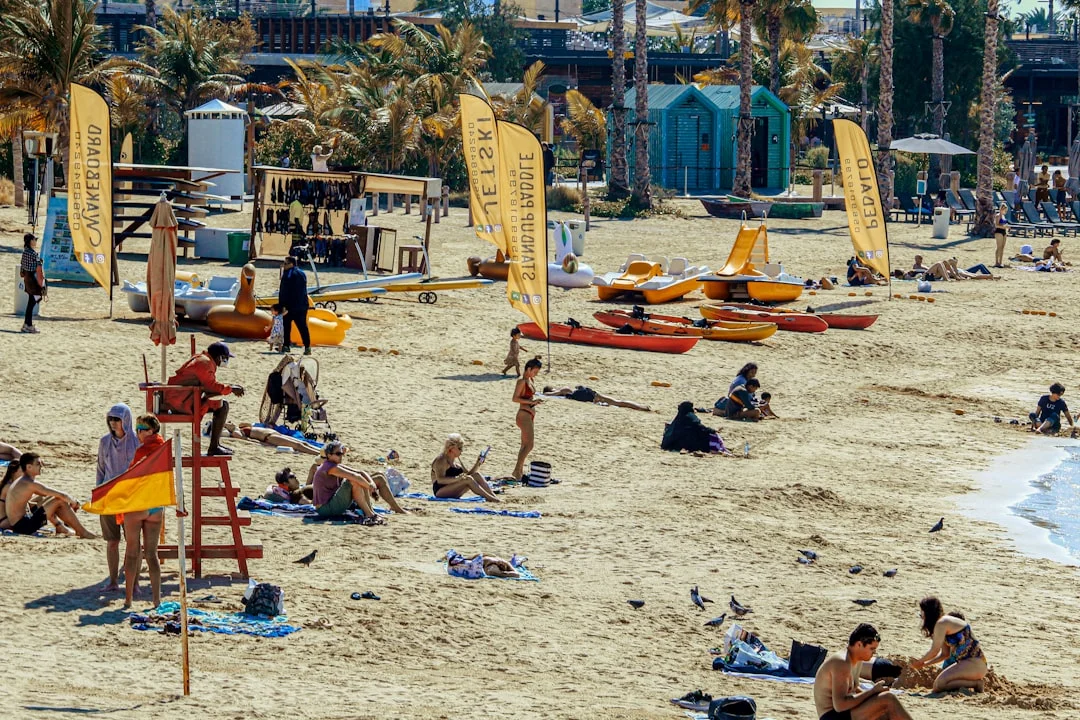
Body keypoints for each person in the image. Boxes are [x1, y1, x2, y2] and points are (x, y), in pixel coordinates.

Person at [814, 623, 914, 720]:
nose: (874, 653)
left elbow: (853, 689)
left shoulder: (857, 659)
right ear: (859, 644)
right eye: (872, 649)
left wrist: (874, 695)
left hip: (844, 713)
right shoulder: (842, 662)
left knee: (886, 712)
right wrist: (872, 692)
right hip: (832, 716)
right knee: (888, 699)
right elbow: (840, 705)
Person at [162, 341, 245, 456]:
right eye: (225, 358)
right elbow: (211, 386)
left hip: (183, 398)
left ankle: (215, 445)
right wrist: (231, 389)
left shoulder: (203, 359)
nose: (226, 361)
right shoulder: (204, 363)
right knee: (223, 406)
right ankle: (214, 447)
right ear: (219, 357)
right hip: (181, 402)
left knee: (221, 405)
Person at [123, 415, 166, 609]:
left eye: (141, 428)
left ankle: (129, 599)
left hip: (139, 503)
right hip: (156, 505)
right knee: (152, 554)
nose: (138, 432)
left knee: (132, 552)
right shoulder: (163, 449)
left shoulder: (143, 452)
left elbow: (133, 477)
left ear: (150, 431)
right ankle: (156, 600)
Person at [96, 404, 139, 590]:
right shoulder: (105, 441)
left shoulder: (137, 442)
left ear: (125, 420)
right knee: (112, 542)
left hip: (131, 498)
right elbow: (100, 469)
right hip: (109, 497)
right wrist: (98, 493)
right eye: (111, 419)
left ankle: (135, 583)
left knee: (134, 543)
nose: (113, 423)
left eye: (117, 419)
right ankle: (113, 581)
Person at [0, 453, 95, 537]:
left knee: (56, 498)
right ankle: (82, 531)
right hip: (24, 526)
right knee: (59, 500)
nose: (41, 466)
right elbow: (61, 495)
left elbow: (49, 494)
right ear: (29, 467)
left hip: (22, 522)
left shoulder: (23, 481)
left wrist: (68, 500)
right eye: (38, 464)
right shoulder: (29, 483)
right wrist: (74, 502)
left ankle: (63, 527)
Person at [307, 441, 408, 518]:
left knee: (379, 477)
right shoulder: (329, 467)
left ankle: (395, 508)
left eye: (342, 453)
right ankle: (370, 513)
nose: (341, 456)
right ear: (329, 455)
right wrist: (369, 486)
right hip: (326, 508)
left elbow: (360, 472)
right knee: (353, 481)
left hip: (335, 500)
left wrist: (371, 483)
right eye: (338, 454)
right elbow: (355, 476)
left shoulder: (333, 464)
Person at [910, 597, 988, 693]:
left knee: (939, 685)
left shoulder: (942, 623)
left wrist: (919, 661)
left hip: (975, 664)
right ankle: (973, 683)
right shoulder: (941, 624)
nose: (921, 616)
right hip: (967, 663)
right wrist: (924, 664)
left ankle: (976, 684)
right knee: (939, 685)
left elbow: (934, 651)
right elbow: (945, 654)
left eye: (922, 612)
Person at [431, 433, 500, 501]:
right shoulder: (441, 460)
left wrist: (478, 463)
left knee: (476, 475)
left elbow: (469, 475)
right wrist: (458, 478)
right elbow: (440, 480)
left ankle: (494, 496)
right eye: (459, 448)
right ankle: (490, 498)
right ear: (451, 448)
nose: (462, 451)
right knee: (468, 479)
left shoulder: (456, 461)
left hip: (453, 489)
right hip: (440, 491)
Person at [511, 357, 543, 480]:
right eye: (534, 371)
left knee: (525, 445)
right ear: (528, 369)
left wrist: (534, 402)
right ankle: (516, 471)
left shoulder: (530, 380)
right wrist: (531, 401)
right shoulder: (522, 381)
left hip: (529, 413)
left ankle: (519, 471)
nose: (535, 374)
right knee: (529, 445)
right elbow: (515, 398)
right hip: (523, 414)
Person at [662, 401, 730, 455]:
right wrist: (712, 431)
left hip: (676, 444)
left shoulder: (677, 421)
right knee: (709, 437)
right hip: (691, 443)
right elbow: (700, 427)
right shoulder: (690, 417)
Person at [223, 422, 323, 454]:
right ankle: (318, 453)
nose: (229, 422)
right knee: (298, 445)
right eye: (227, 424)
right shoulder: (236, 432)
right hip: (269, 437)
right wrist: (263, 444)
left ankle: (322, 451)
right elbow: (246, 440)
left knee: (303, 443)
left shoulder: (239, 427)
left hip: (274, 434)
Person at [278, 256, 311, 356]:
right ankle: (307, 347)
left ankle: (286, 346)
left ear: (291, 264)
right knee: (303, 327)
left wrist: (281, 305)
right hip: (302, 305)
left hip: (289, 306)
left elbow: (283, 292)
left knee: (287, 326)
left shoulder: (287, 274)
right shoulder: (302, 274)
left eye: (285, 263)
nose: (284, 265)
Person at [541, 385, 651, 411]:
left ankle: (642, 407)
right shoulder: (567, 390)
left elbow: (549, 395)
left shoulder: (564, 390)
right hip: (590, 393)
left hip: (586, 395)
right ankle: (642, 407)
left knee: (618, 403)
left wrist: (547, 394)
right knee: (617, 402)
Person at [19, 232, 45, 334]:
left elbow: (22, 267)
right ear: (31, 241)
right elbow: (38, 269)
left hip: (27, 279)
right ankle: (28, 325)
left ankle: (27, 324)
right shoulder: (33, 253)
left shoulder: (25, 252)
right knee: (33, 302)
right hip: (33, 280)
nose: (36, 241)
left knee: (31, 302)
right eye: (35, 239)